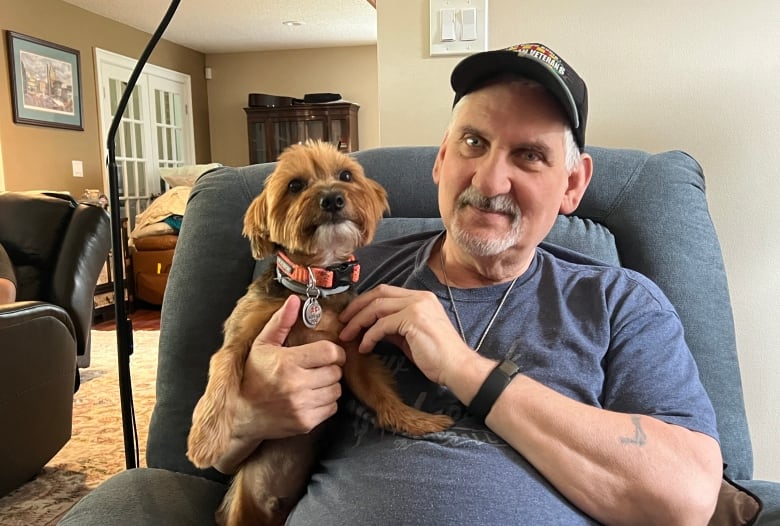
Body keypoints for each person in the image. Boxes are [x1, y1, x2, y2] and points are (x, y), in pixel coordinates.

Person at [215, 43, 723, 524]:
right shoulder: (338, 276)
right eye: (474, 142)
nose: (488, 181)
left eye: (528, 155)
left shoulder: (619, 301)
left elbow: (687, 499)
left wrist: (464, 368)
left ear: (573, 184)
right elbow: (213, 456)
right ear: (441, 159)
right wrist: (252, 413)